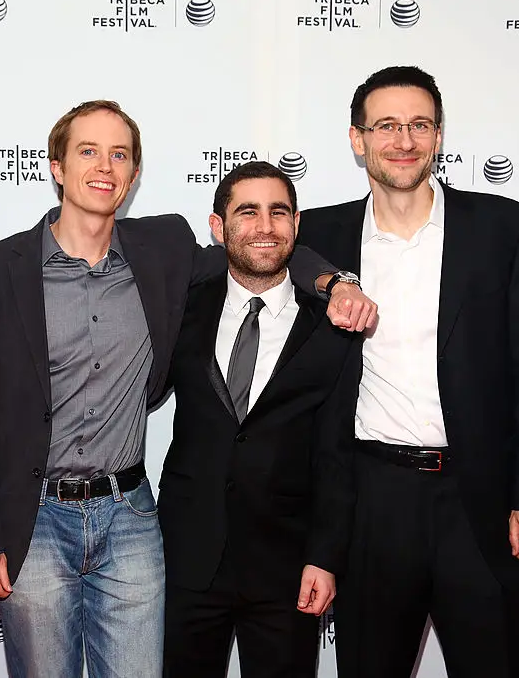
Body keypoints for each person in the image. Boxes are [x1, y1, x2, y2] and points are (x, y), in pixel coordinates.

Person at [0, 100, 376, 678]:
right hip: (35, 518)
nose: (105, 165)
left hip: (129, 518)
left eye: (119, 154)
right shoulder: (0, 267)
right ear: (55, 166)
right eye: (89, 151)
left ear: (133, 172)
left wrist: (333, 280)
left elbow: (262, 252)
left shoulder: (164, 253)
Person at [296, 65, 519, 678]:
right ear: (356, 138)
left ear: (440, 136)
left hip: (480, 503)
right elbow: (239, 259)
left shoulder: (506, 228)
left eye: (419, 125)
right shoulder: (316, 235)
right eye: (386, 125)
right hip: (370, 502)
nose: (404, 140)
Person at [159, 161, 362, 678]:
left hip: (288, 566)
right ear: (217, 226)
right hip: (187, 557)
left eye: (279, 212)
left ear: (296, 225)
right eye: (247, 212)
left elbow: (337, 452)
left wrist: (324, 556)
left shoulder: (333, 328)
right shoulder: (184, 305)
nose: (265, 227)